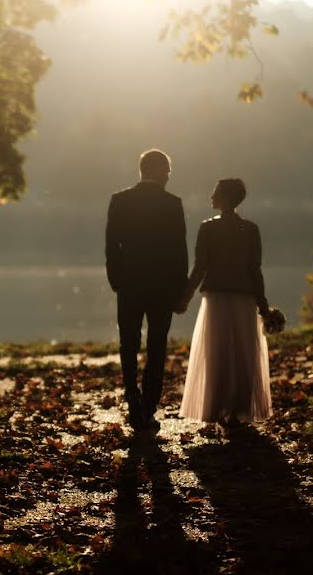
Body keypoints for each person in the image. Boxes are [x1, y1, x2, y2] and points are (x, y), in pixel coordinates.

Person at [177, 178, 272, 424]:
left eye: (215, 192)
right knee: (243, 353)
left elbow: (200, 268)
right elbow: (254, 269)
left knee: (217, 352)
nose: (211, 195)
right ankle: (239, 407)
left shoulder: (208, 228)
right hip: (244, 298)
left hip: (216, 298)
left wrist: (185, 297)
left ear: (226, 197)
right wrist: (263, 305)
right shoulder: (251, 229)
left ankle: (218, 406)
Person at [106, 149, 188, 429]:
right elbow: (180, 251)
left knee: (128, 343)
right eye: (167, 172)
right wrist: (180, 289)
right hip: (162, 286)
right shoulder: (173, 203)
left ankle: (132, 396)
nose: (168, 176)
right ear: (160, 171)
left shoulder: (120, 201)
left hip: (129, 283)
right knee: (157, 345)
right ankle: (150, 405)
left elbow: (111, 245)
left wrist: (115, 279)